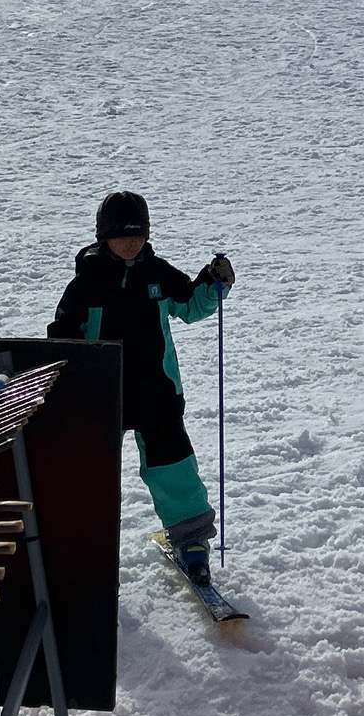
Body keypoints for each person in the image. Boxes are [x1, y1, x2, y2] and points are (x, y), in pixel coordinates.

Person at [49, 191, 233, 586]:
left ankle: (192, 539)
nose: (130, 242)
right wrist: (68, 381)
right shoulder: (86, 284)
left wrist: (213, 283)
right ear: (103, 236)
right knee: (91, 471)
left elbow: (191, 306)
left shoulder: (158, 273)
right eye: (120, 235)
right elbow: (61, 339)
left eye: (137, 234)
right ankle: (83, 541)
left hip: (157, 393)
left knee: (173, 466)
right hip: (102, 396)